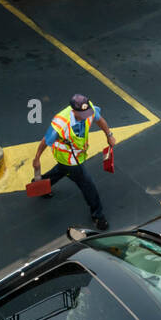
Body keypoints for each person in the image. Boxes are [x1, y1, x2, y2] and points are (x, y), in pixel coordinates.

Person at [31, 93, 115, 230]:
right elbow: (46, 141)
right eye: (83, 113)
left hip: (77, 154)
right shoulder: (60, 123)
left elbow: (99, 120)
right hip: (68, 158)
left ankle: (40, 185)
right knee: (88, 185)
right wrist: (36, 159)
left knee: (61, 171)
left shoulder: (89, 110)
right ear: (73, 111)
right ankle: (98, 215)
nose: (87, 116)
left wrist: (109, 135)